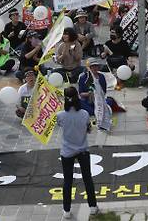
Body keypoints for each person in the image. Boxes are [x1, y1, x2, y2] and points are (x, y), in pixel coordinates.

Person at [56, 87, 99, 219]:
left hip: (67, 151)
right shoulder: (85, 114)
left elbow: (60, 125)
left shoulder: (60, 115)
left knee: (67, 181)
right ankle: (92, 207)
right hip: (83, 150)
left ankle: (67, 210)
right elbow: (88, 129)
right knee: (87, 178)